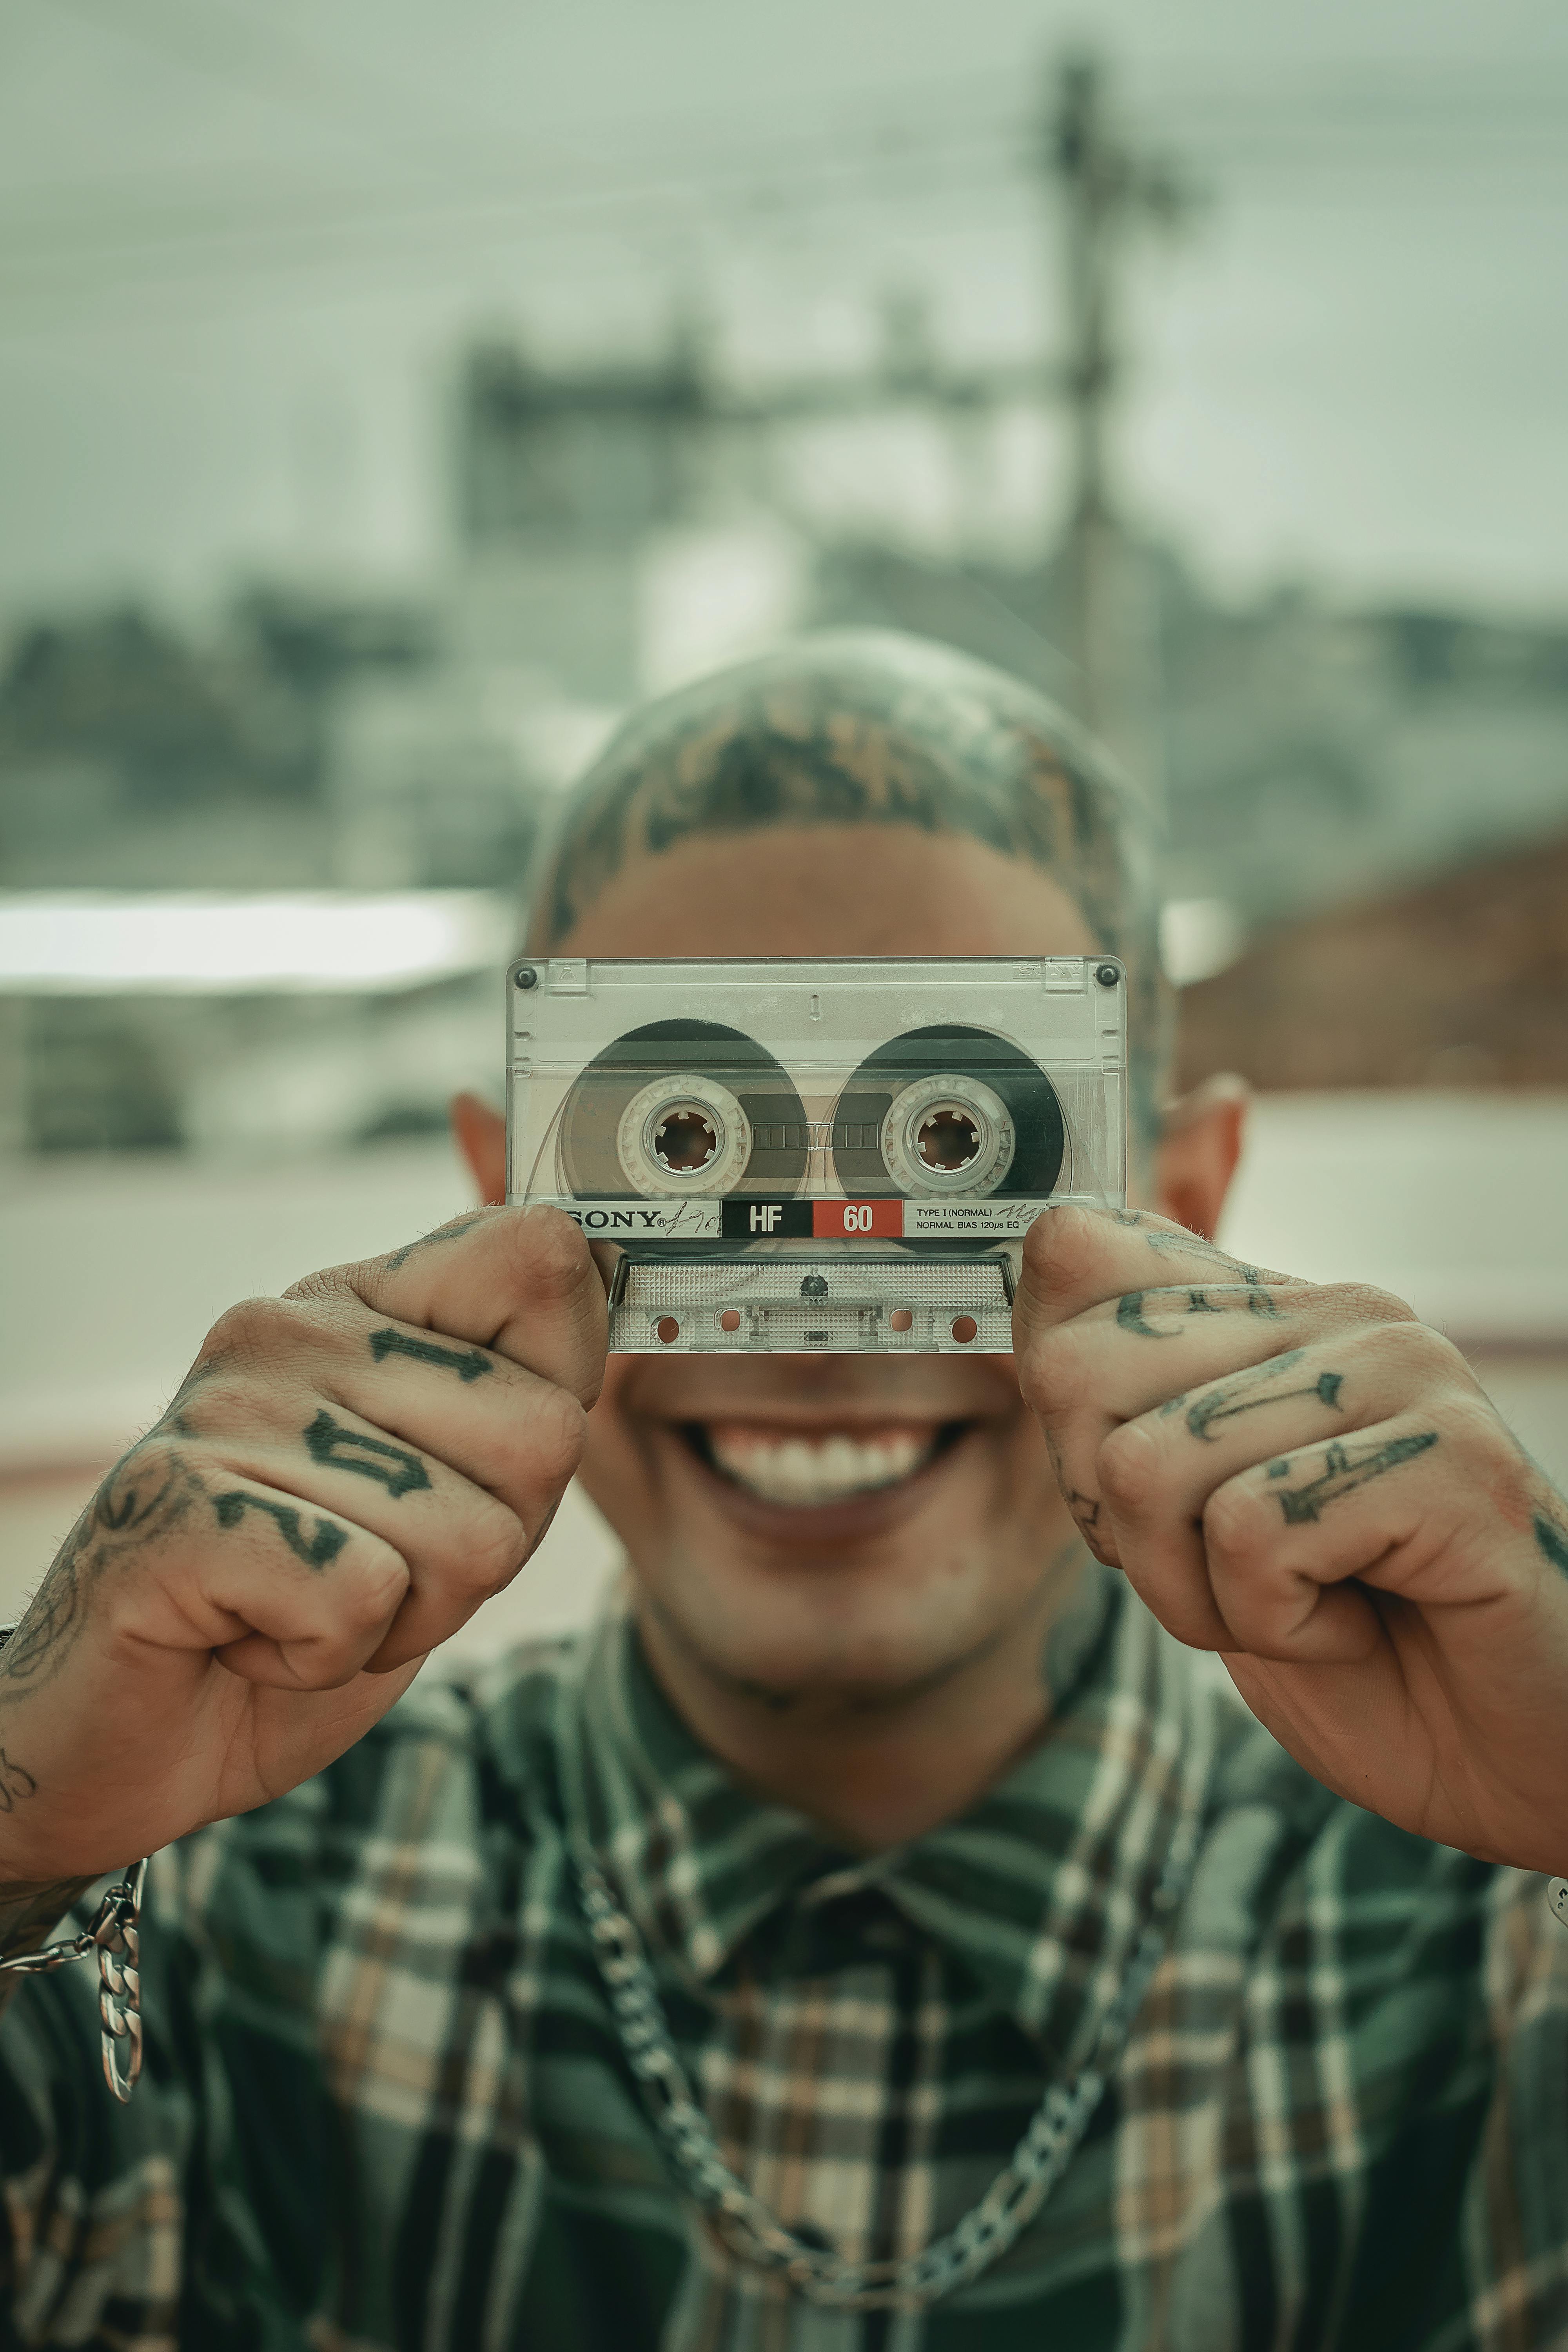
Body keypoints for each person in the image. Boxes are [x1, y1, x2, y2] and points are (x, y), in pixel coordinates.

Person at [2, 631, 1567, 2352]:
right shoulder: (181, 1917)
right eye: (682, 1146)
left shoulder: (1507, 1925)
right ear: (497, 1202)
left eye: (955, 1140)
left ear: (1184, 1194)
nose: (815, 1309)